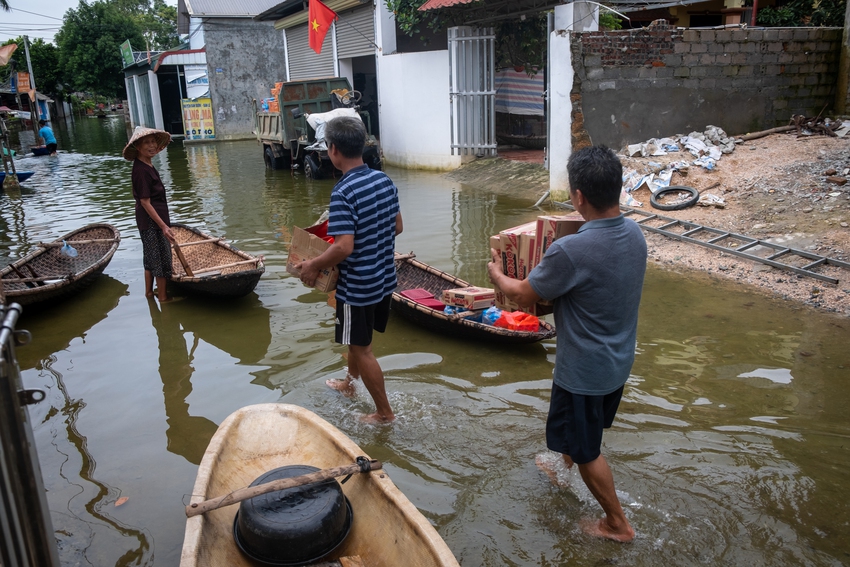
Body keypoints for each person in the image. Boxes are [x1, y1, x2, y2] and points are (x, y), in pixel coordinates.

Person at [487, 145, 646, 543]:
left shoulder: (571, 250)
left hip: (584, 371)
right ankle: (565, 471)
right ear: (619, 188)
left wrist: (495, 274)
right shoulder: (635, 233)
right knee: (580, 435)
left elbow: (523, 294)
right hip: (617, 361)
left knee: (588, 449)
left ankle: (616, 524)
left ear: (578, 197)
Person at [296, 116, 403, 424]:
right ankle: (349, 384)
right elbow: (397, 226)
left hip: (358, 286)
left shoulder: (343, 192)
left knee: (362, 347)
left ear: (333, 151)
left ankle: (384, 414)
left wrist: (312, 265)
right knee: (359, 340)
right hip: (384, 279)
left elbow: (343, 247)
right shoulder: (383, 180)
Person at [123, 126, 176, 303]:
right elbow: (145, 202)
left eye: (153, 142)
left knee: (150, 257)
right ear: (138, 147)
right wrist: (163, 226)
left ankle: (148, 293)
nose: (152, 146)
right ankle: (163, 298)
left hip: (151, 219)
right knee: (160, 258)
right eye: (147, 142)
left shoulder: (147, 165)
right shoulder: (141, 170)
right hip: (151, 221)